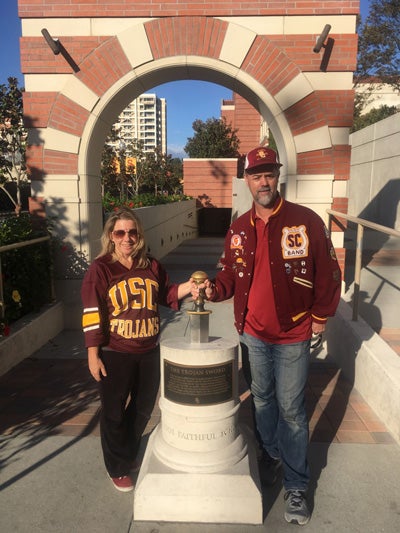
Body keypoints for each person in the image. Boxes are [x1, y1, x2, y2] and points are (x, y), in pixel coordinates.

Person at [194, 146, 341, 525]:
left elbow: (328, 272)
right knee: (261, 400)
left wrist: (321, 317)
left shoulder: (305, 221)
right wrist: (213, 289)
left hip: (293, 331)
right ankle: (271, 456)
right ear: (247, 179)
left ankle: (296, 485)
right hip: (252, 334)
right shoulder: (239, 228)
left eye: (269, 173)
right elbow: (229, 275)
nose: (263, 181)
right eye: (256, 174)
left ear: (278, 176)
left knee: (291, 409)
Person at [81, 207, 192, 493]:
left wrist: (190, 287)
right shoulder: (101, 269)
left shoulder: (151, 265)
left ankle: (126, 451)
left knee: (143, 409)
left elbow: (167, 293)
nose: (127, 238)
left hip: (148, 350)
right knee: (114, 412)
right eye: (120, 232)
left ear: (139, 235)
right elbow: (92, 312)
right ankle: (116, 466)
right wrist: (93, 354)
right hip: (115, 352)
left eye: (132, 232)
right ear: (111, 236)